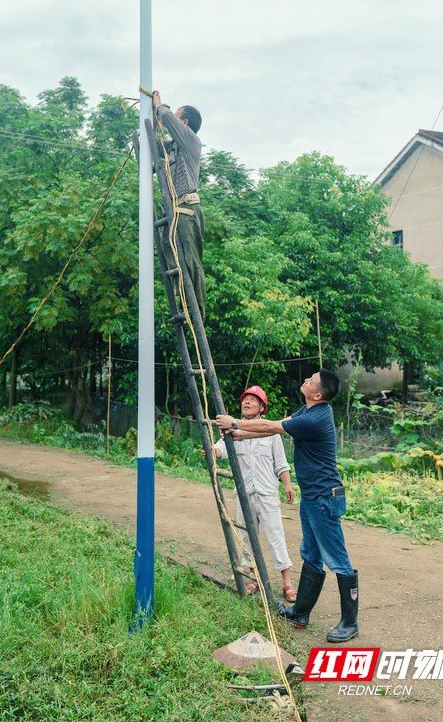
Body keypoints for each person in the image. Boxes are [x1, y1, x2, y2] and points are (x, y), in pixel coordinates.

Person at [216, 369, 359, 643]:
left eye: (310, 380)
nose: (305, 380)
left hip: (325, 497)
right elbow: (274, 426)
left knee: (337, 558)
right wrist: (238, 435)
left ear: (317, 394)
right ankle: (300, 613)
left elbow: (271, 427)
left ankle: (350, 622)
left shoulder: (316, 419)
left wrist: (234, 423)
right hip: (314, 496)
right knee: (312, 554)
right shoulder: (306, 411)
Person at [212, 385, 297, 601]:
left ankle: (287, 583)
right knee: (247, 536)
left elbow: (281, 463)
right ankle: (254, 578)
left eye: (253, 399)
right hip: (244, 493)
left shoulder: (270, 433)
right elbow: (219, 449)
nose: (247, 402)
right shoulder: (231, 431)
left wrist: (287, 485)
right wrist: (210, 450)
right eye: (245, 399)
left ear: (262, 407)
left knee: (275, 536)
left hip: (267, 493)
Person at [152, 90, 206, 320]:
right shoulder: (172, 147)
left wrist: (159, 107)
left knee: (191, 259)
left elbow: (167, 118)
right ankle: (183, 303)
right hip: (174, 210)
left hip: (187, 210)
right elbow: (152, 145)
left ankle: (197, 311)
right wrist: (153, 123)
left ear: (183, 122)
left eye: (176, 117)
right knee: (169, 250)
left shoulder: (190, 140)